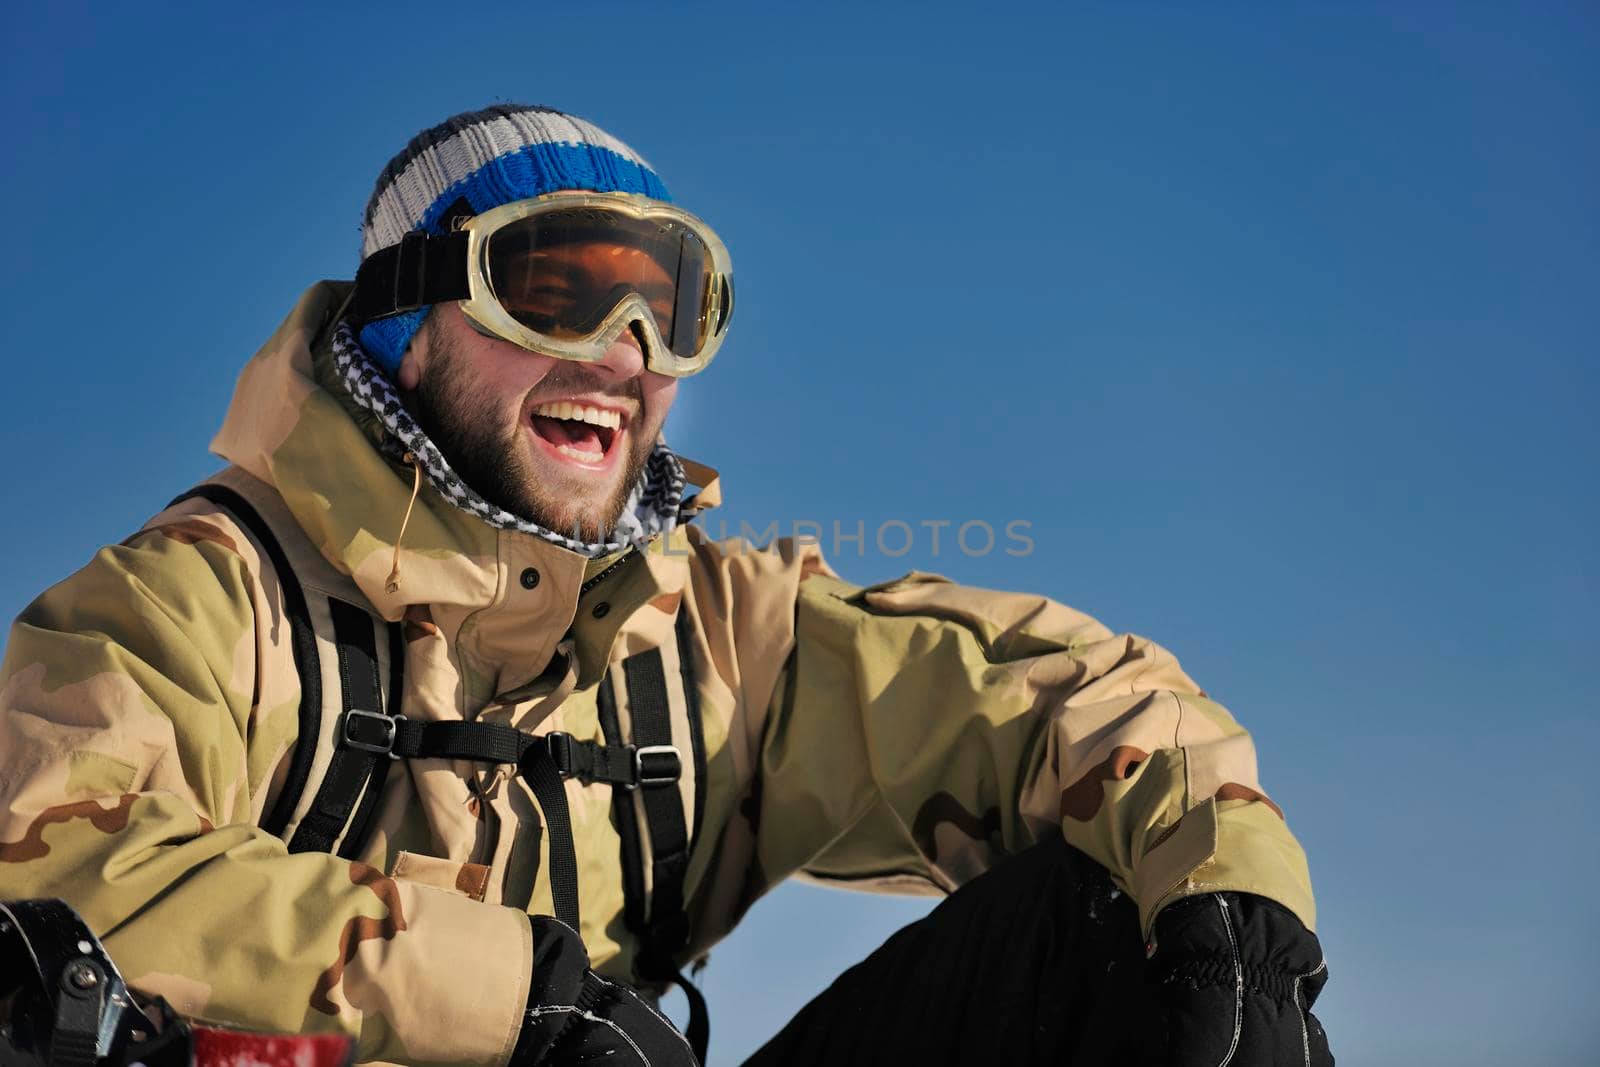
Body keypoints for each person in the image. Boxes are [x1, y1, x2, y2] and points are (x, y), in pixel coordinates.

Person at [0, 104, 1331, 1066]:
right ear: (408, 323)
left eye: (667, 309)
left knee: (1112, 927)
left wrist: (1237, 904)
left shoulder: (706, 638)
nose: (622, 355)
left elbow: (1047, 704)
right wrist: (519, 1000)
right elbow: (52, 851)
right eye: (557, 290)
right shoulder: (203, 600)